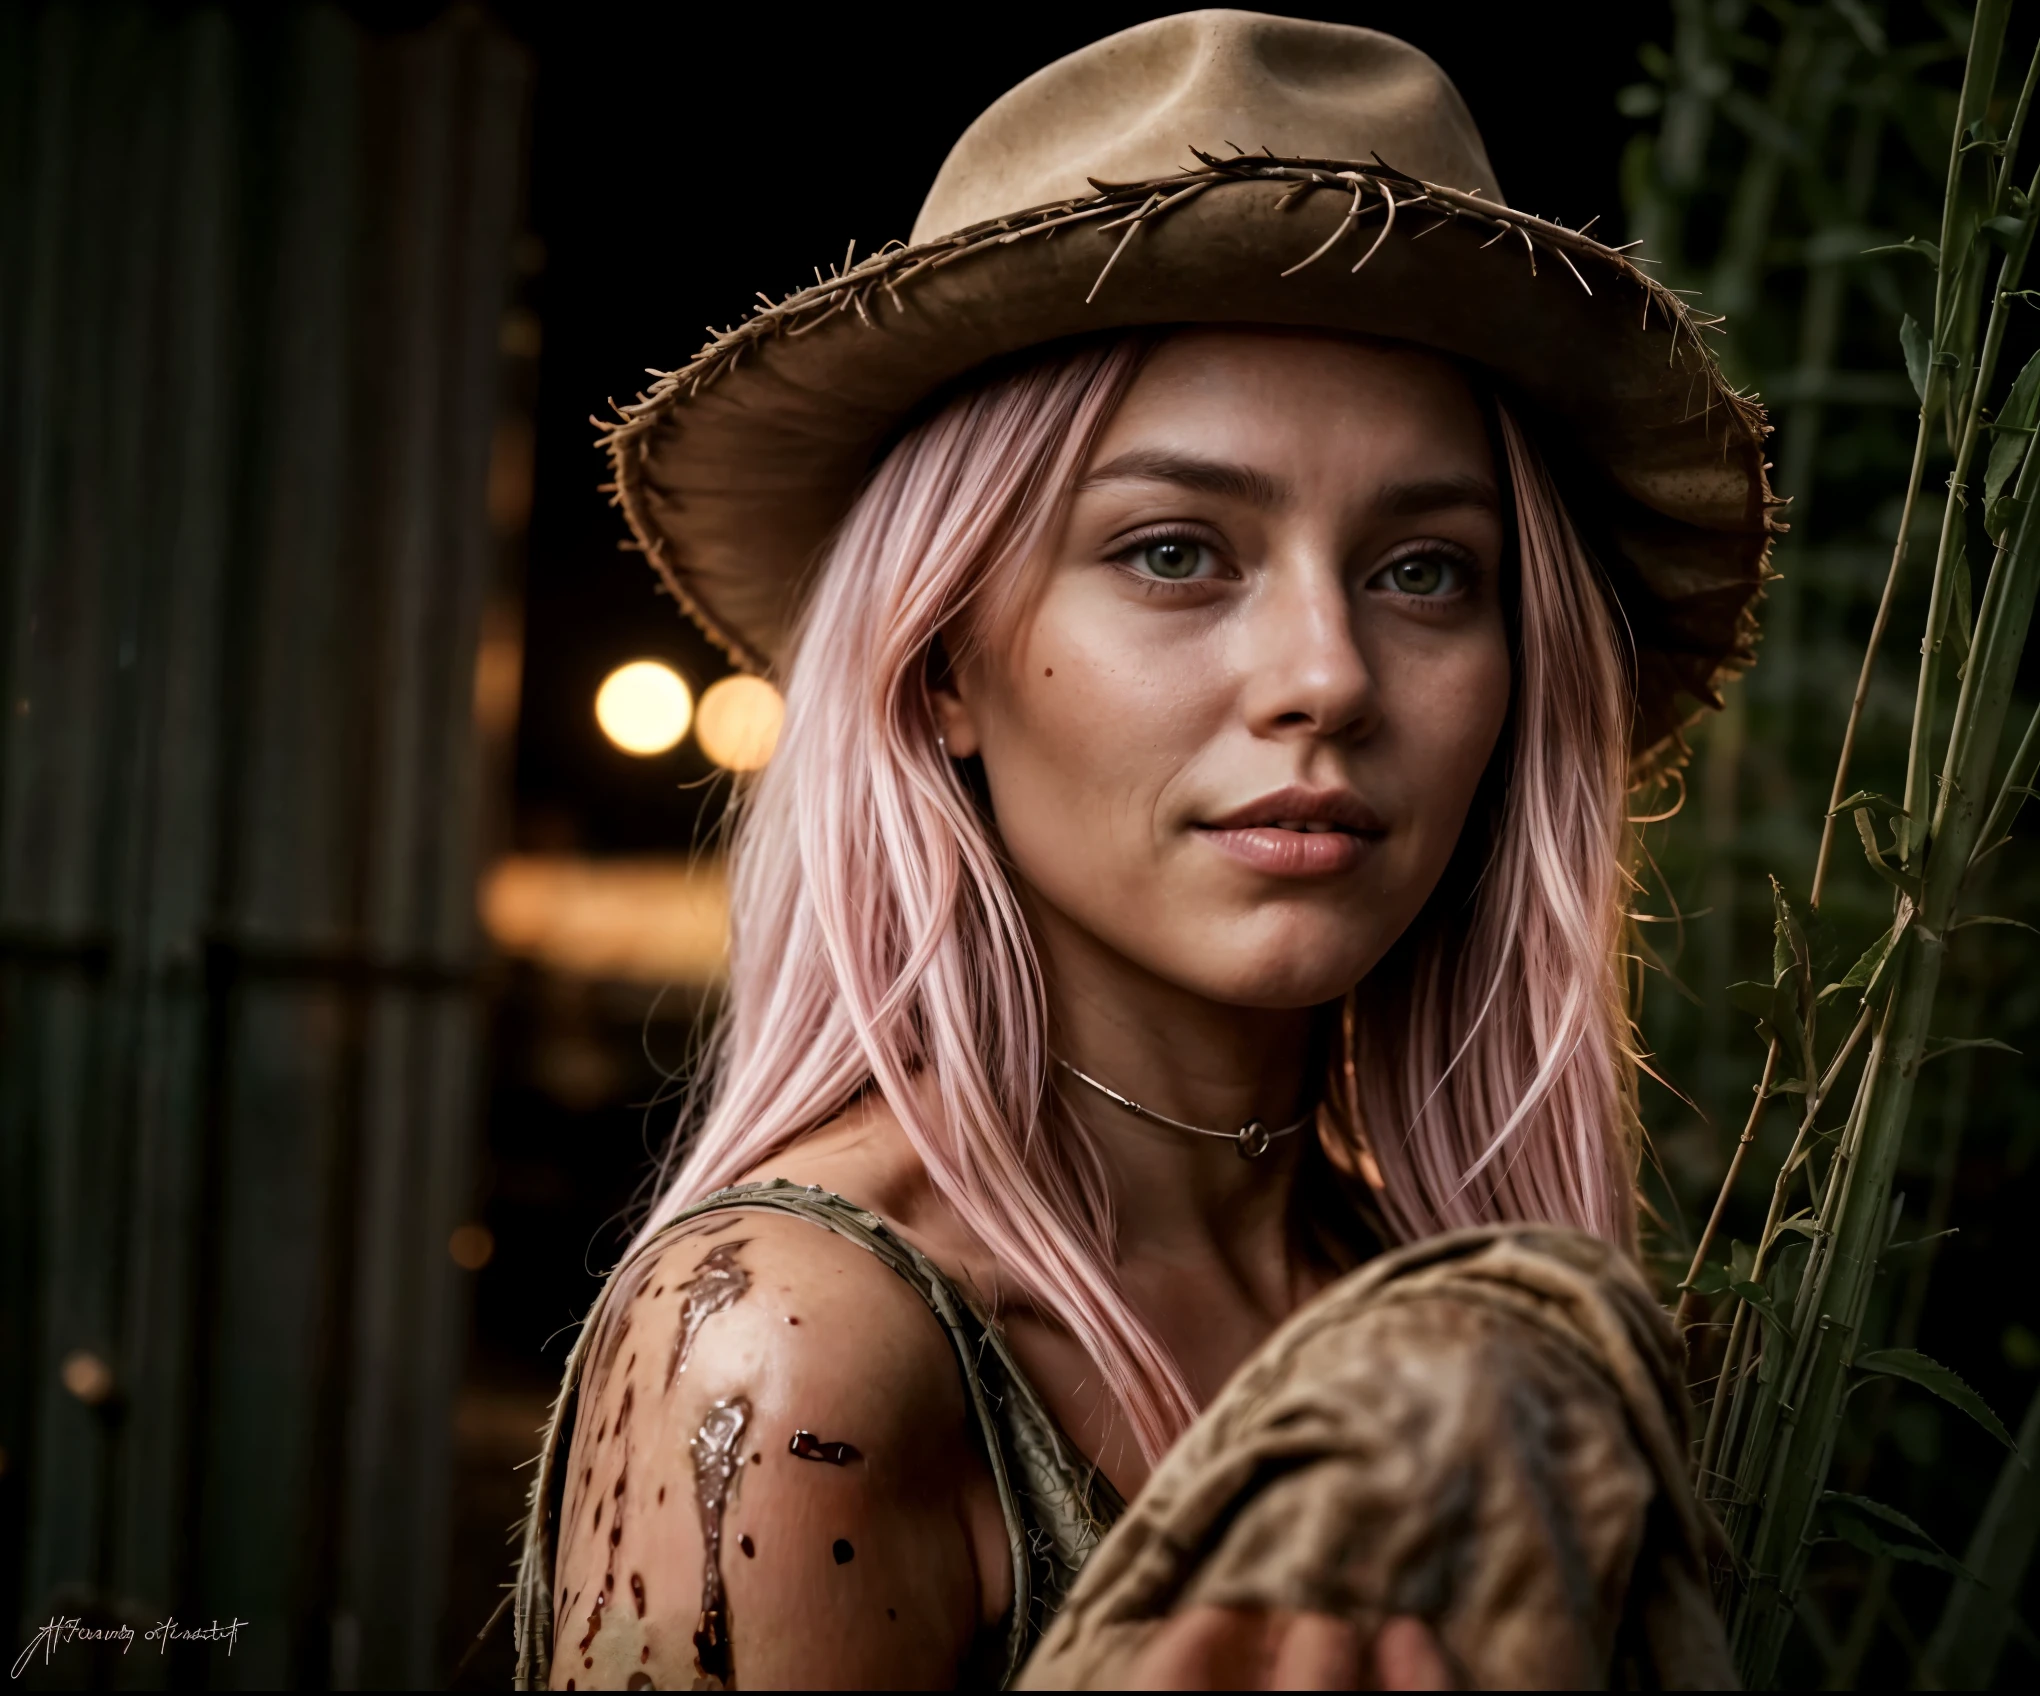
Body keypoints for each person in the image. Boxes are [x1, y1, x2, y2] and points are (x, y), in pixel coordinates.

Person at [512, 12, 1771, 1690]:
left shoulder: (1454, 1319)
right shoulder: (789, 1357)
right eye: (1177, 550)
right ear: (943, 658)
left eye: (1426, 570)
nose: (1325, 674)